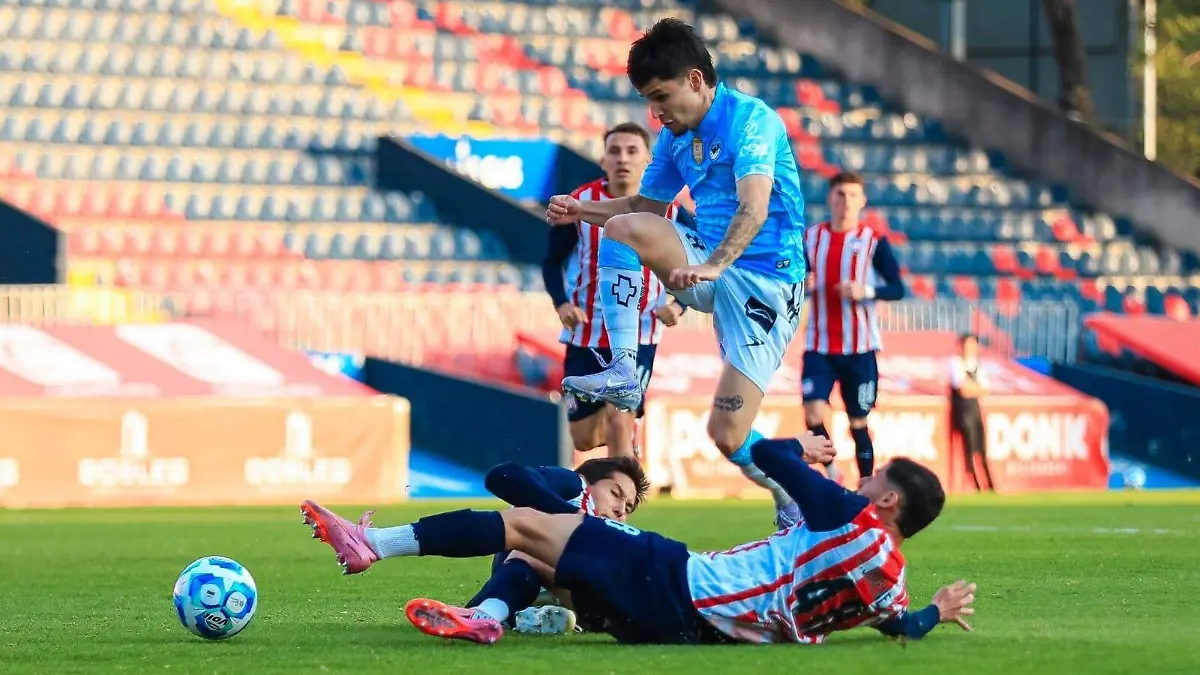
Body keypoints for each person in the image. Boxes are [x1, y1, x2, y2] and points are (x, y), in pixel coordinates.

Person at [300, 435, 976, 646]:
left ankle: (374, 544)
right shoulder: (891, 577)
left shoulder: (850, 517)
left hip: (680, 581)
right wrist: (939, 610)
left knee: (520, 525)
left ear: (887, 501)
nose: (859, 479)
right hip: (685, 630)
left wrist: (806, 449)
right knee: (534, 552)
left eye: (872, 476)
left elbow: (768, 450)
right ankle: (489, 614)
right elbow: (903, 628)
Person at [545, 18, 808, 529]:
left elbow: (753, 209)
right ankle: (625, 370)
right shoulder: (673, 137)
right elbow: (647, 205)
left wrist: (713, 264)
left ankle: (791, 491)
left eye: (661, 97)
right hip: (706, 265)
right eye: (648, 100)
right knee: (625, 225)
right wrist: (582, 212)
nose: (656, 112)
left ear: (694, 79)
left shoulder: (751, 121)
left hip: (766, 285)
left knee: (728, 434)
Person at [542, 123, 688, 458]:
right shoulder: (579, 203)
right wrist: (562, 304)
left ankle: (617, 506)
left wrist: (678, 306)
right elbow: (552, 261)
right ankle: (623, 441)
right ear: (603, 159)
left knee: (619, 419)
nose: (623, 158)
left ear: (648, 160)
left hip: (641, 334)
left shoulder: (671, 210)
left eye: (632, 151)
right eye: (615, 150)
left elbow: (694, 265)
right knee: (583, 438)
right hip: (586, 334)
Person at [801, 171, 905, 486]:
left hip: (859, 350)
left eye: (852, 196)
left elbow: (897, 288)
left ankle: (866, 484)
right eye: (840, 195)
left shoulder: (873, 242)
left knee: (858, 421)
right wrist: (802, 283)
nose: (845, 202)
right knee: (813, 415)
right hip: (819, 346)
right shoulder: (810, 238)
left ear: (863, 201)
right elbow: (792, 277)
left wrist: (867, 291)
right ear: (830, 198)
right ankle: (832, 472)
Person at [948, 333, 995, 492]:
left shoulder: (976, 365)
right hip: (962, 411)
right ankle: (974, 484)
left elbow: (986, 389)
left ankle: (988, 484)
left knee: (981, 448)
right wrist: (974, 388)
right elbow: (962, 389)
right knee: (968, 448)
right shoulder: (955, 363)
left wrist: (972, 388)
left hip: (975, 410)